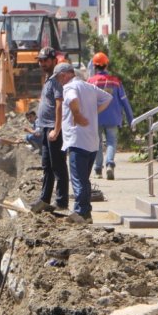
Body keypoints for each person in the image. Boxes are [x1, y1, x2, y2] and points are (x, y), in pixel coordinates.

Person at [55, 62, 112, 223]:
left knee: (79, 180)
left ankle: (81, 212)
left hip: (77, 140)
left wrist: (77, 114)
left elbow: (72, 98)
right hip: (92, 142)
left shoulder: (69, 87)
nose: (59, 82)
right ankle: (86, 213)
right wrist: (94, 111)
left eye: (59, 78)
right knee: (84, 180)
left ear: (65, 75)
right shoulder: (89, 87)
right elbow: (108, 97)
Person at [30, 46, 70, 213]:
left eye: (45, 60)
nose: (42, 63)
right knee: (47, 165)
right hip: (46, 127)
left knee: (58, 165)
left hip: (53, 128)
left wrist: (57, 128)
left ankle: (61, 202)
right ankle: (45, 198)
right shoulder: (48, 79)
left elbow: (60, 104)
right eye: (40, 60)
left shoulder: (56, 81)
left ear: (54, 61)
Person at [87, 52, 134, 180]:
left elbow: (86, 101)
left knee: (96, 143)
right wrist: (131, 119)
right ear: (106, 64)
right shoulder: (116, 82)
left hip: (96, 117)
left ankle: (97, 170)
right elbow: (125, 101)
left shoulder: (90, 82)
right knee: (111, 142)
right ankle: (109, 164)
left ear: (95, 66)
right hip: (113, 117)